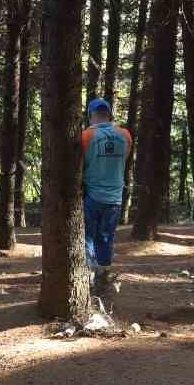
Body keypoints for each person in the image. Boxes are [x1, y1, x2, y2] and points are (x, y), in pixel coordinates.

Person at [79, 98, 132, 309]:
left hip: (93, 195)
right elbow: (123, 159)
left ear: (91, 115)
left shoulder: (86, 136)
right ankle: (102, 278)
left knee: (88, 237)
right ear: (109, 114)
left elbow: (80, 163)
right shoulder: (125, 135)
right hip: (115, 198)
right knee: (106, 239)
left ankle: (87, 278)